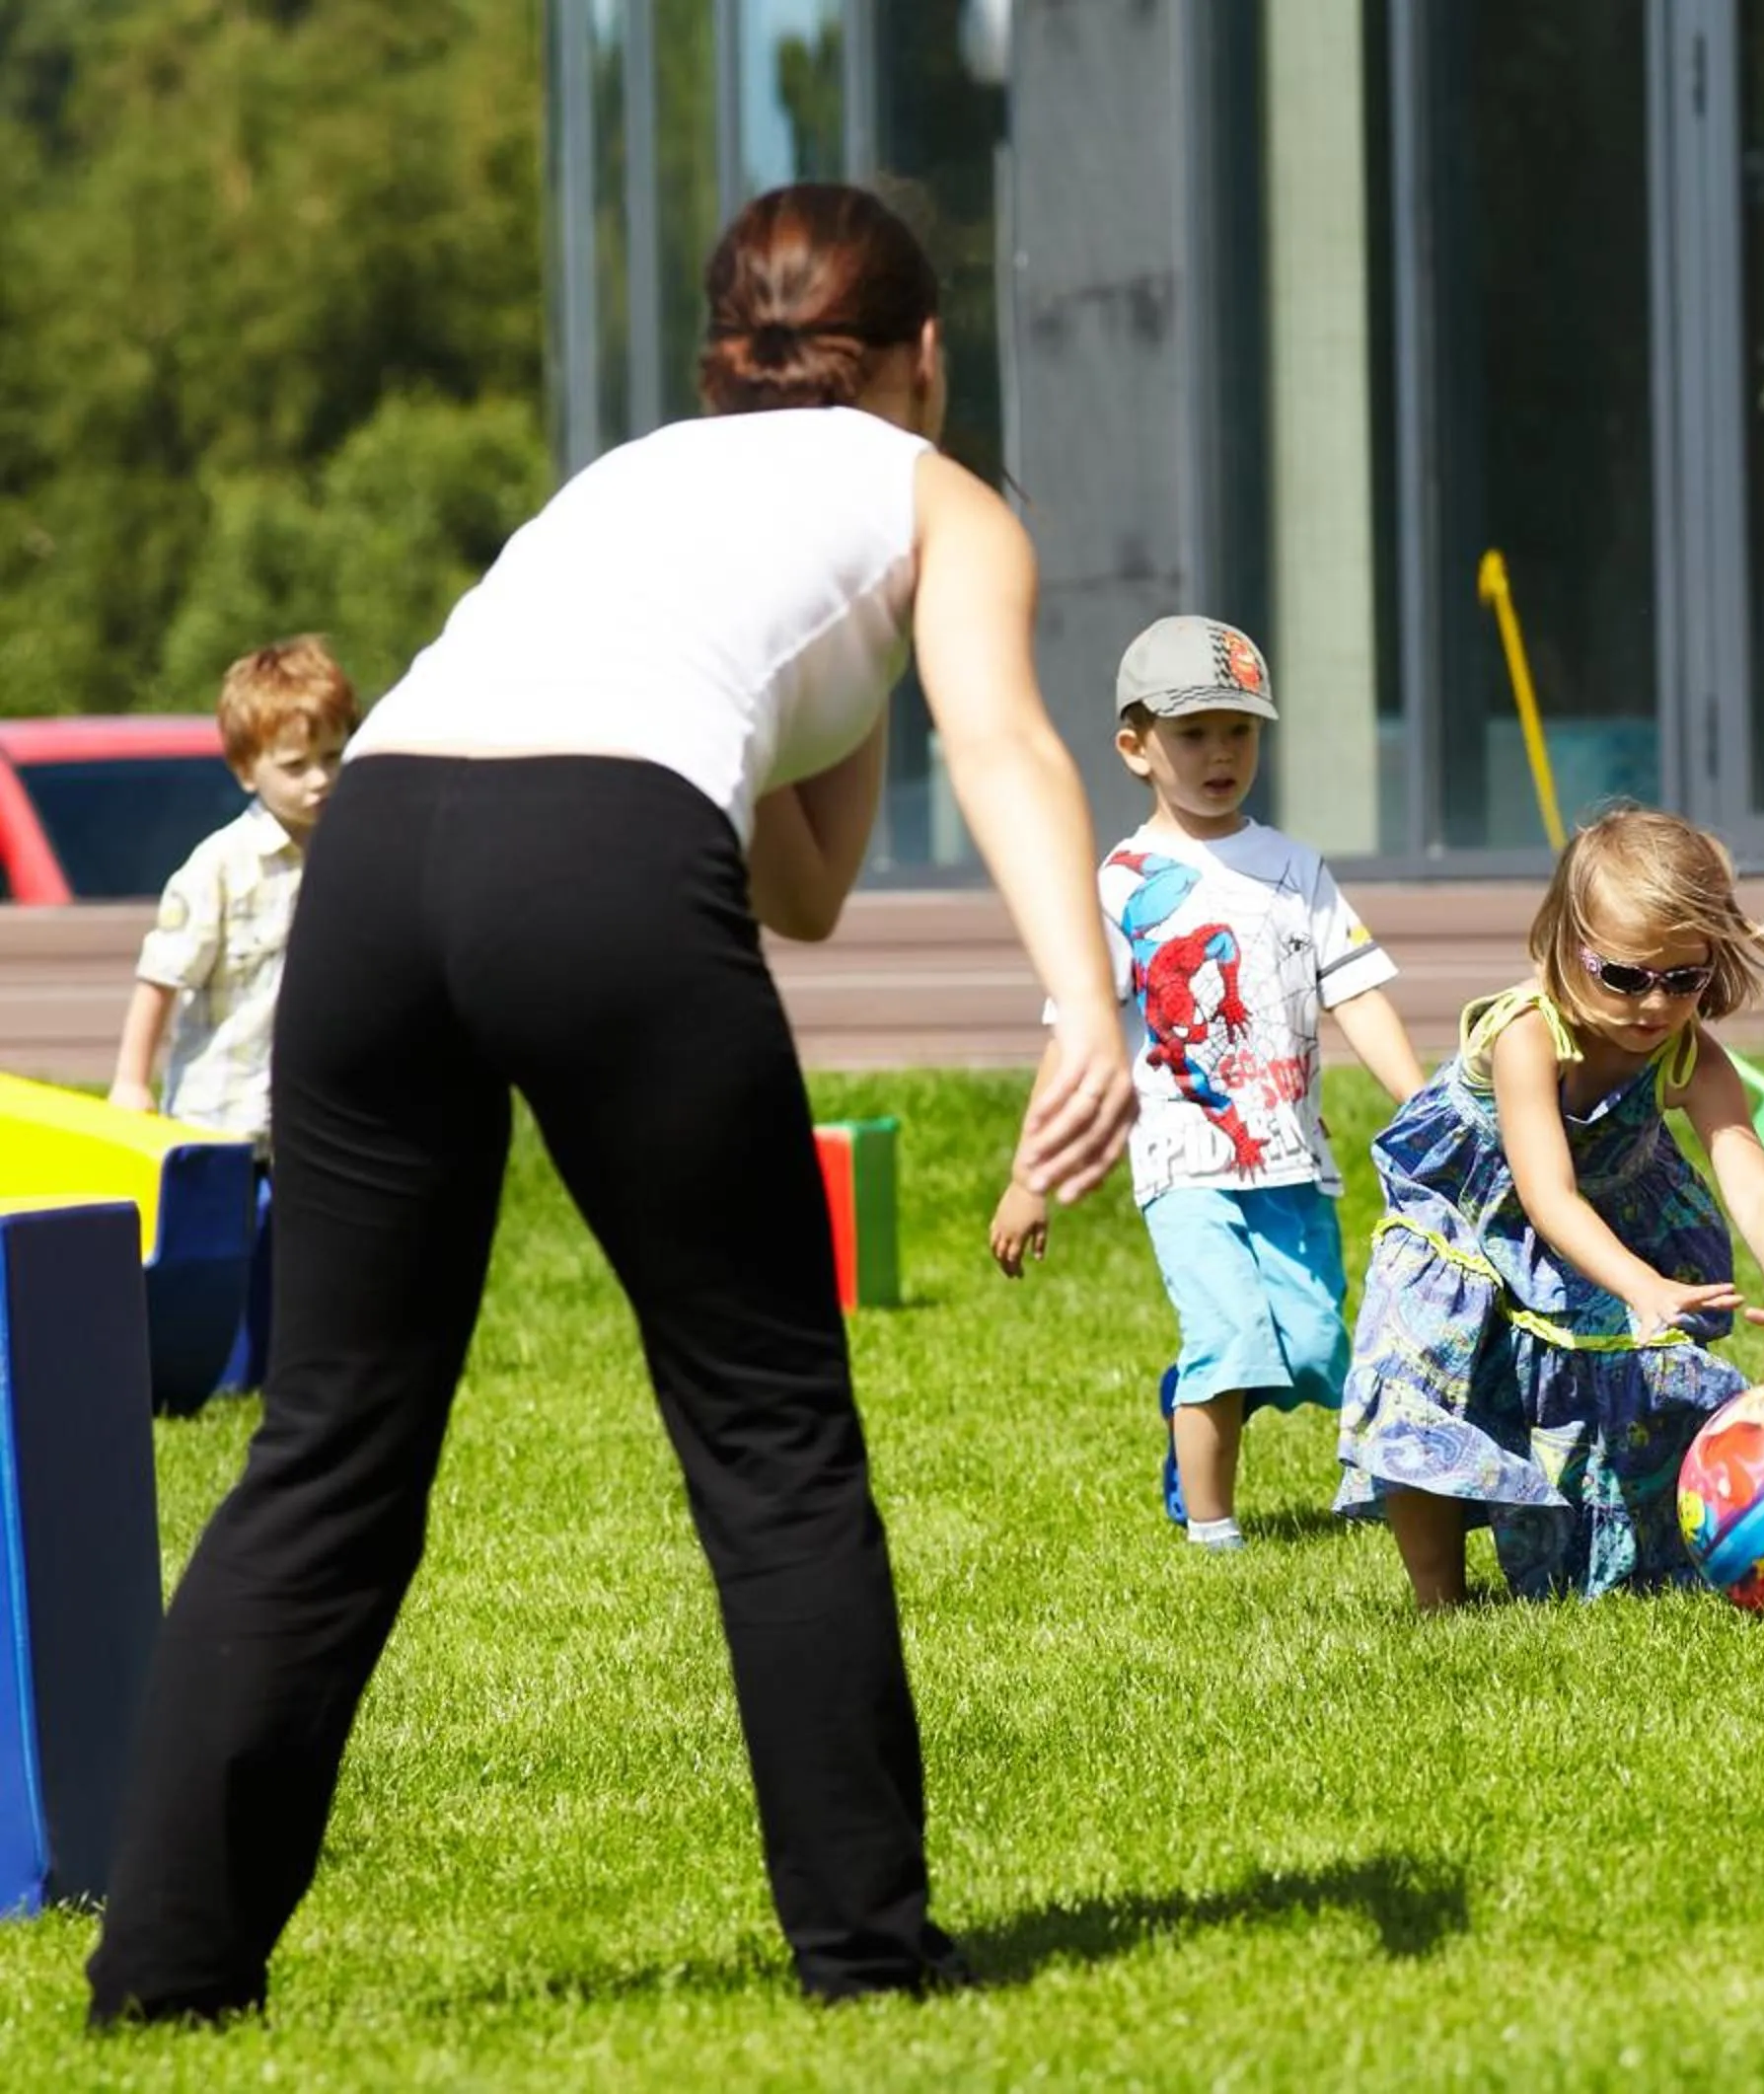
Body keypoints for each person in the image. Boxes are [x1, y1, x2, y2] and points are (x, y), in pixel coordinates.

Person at [83, 182, 1136, 2025]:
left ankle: (162, 1987)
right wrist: (1085, 1001)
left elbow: (803, 877)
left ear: (725, 354)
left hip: (387, 854)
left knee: (328, 1447)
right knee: (769, 1436)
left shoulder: (640, 474)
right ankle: (869, 1962)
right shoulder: (943, 498)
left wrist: (862, 644)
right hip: (596, 849)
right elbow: (1010, 742)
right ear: (928, 358)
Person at [1335, 806, 1764, 1610]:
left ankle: (1605, 1556)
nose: (1653, 1005)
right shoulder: (1530, 1033)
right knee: (1423, 1385)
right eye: (1622, 976)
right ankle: (1438, 1601)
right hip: (1467, 1218)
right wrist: (1643, 1287)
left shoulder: (1689, 1052)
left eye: (1683, 979)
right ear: (1564, 946)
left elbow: (1749, 1172)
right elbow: (1544, 1191)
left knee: (1619, 1395)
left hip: (1600, 1214)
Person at [989, 615, 1423, 1551]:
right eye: (1193, 734)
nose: (1220, 752)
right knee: (1231, 1340)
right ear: (1135, 748)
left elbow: (1357, 994)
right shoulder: (1116, 883)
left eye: (1240, 731)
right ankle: (1214, 1530)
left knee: (1312, 1353)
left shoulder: (1294, 870)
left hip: (1292, 1160)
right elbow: (1077, 1033)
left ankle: (1191, 1393)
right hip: (1182, 1161)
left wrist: (1423, 1106)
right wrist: (1033, 1176)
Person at [108, 636, 356, 1143]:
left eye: (332, 757)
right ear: (246, 770)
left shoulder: (357, 851)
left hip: (318, 1122)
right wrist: (131, 1082)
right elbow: (161, 976)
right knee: (219, 1226)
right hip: (222, 1116)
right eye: (295, 766)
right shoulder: (221, 867)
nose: (319, 779)